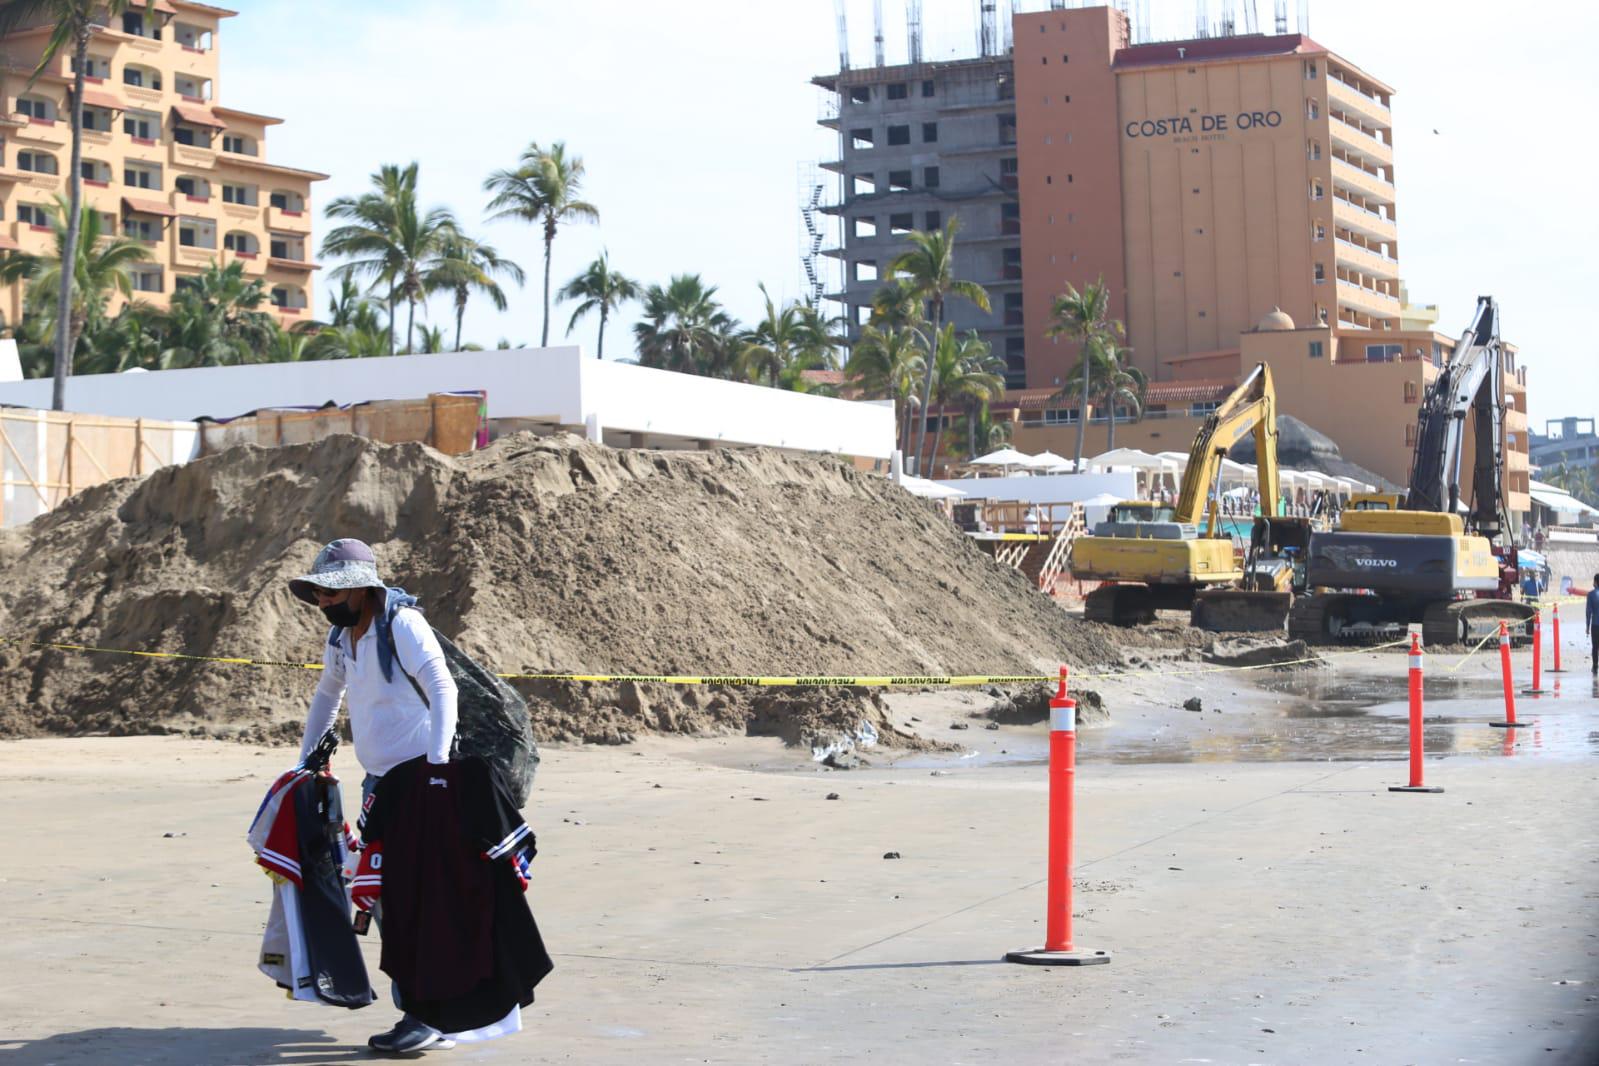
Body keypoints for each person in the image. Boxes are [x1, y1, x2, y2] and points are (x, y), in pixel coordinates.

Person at [289, 539, 460, 1055]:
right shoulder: (343, 639)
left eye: (331, 592)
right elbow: (327, 698)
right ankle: (431, 1010)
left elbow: (443, 688)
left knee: (406, 899)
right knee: (383, 894)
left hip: (418, 783)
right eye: (319, 593)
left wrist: (437, 771)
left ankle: (425, 1014)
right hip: (378, 788)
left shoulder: (402, 626)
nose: (323, 602)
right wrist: (304, 765)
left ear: (363, 588)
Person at [1588, 573, 1599, 677]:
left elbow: (1588, 612)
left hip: (1595, 625)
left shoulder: (1591, 594)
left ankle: (1595, 666)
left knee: (1595, 647)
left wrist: (1587, 627)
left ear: (1595, 582)